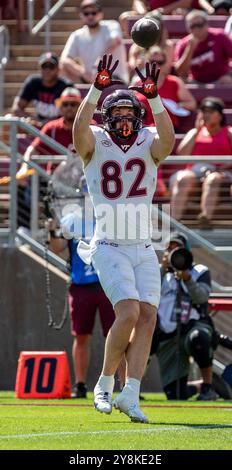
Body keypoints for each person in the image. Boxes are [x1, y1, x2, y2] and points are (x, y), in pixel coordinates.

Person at [73, 53, 175, 423]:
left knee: (147, 317)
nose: (123, 119)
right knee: (129, 311)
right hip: (109, 243)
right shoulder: (95, 143)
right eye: (115, 113)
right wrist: (94, 90)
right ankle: (103, 384)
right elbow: (77, 131)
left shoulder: (150, 141)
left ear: (140, 116)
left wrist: (154, 97)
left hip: (144, 245)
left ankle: (131, 395)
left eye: (130, 112)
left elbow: (169, 140)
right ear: (105, 117)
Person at [47, 214, 116, 399]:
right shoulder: (70, 219)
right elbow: (57, 247)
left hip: (108, 282)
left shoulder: (110, 214)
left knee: (119, 333)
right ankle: (80, 384)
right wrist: (53, 230)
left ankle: (126, 384)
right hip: (81, 285)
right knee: (81, 336)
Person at [150, 232, 218, 400]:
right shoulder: (159, 274)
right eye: (169, 249)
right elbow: (147, 293)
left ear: (186, 250)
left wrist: (187, 278)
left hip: (193, 327)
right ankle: (198, 386)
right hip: (166, 334)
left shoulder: (199, 271)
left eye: (177, 249)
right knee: (175, 395)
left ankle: (208, 387)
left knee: (199, 338)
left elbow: (202, 297)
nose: (173, 253)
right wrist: (161, 268)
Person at [16, 87, 82, 229]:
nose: (69, 108)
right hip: (52, 179)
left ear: (80, 106)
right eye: (65, 104)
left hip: (82, 180)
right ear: (60, 107)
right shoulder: (51, 127)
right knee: (24, 183)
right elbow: (32, 149)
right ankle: (24, 230)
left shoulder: (89, 127)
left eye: (73, 104)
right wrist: (24, 167)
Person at [171, 97, 232, 225]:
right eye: (204, 111)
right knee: (183, 178)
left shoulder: (228, 132)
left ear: (220, 115)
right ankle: (174, 221)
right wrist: (197, 131)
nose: (206, 115)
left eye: (210, 111)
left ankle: (205, 217)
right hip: (196, 175)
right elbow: (182, 154)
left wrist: (221, 168)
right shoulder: (194, 132)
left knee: (213, 179)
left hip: (222, 175)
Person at [60, 0, 128, 84]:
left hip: (114, 78)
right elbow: (64, 60)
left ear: (101, 14)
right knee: (63, 66)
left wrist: (99, 65)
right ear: (81, 15)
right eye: (86, 13)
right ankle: (81, 93)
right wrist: (83, 72)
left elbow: (115, 42)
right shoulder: (76, 35)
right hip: (90, 80)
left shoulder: (112, 25)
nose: (90, 16)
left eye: (94, 13)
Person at [131, 46, 197, 132]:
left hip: (167, 129)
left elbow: (192, 103)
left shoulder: (174, 82)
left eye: (160, 62)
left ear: (165, 63)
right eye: (153, 62)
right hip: (142, 129)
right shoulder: (137, 82)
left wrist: (177, 106)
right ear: (146, 63)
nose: (157, 66)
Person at [11, 52, 72, 128]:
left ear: (58, 69)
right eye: (44, 66)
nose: (47, 70)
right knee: (8, 120)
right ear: (39, 68)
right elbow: (16, 108)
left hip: (59, 127)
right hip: (38, 125)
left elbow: (72, 112)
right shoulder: (33, 82)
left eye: (51, 66)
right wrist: (33, 119)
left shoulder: (66, 86)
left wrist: (49, 124)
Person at [175, 10, 232, 84]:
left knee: (226, 80)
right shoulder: (183, 44)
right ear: (188, 28)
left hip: (220, 79)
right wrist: (190, 49)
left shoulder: (219, 36)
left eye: (200, 25)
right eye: (193, 26)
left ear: (207, 24)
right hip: (196, 81)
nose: (197, 29)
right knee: (180, 82)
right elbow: (180, 72)